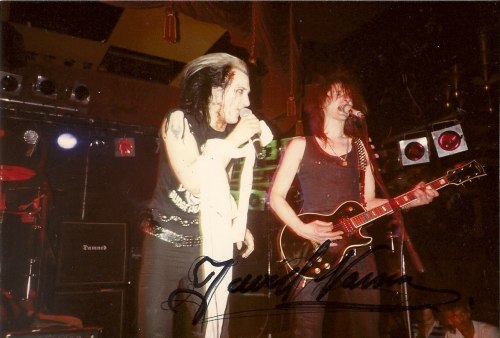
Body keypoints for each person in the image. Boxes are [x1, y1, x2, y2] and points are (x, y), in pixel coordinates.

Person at [268, 71, 439, 337]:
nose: (345, 99)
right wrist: (303, 229)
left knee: (367, 325)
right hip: (312, 245)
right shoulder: (301, 145)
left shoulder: (360, 148)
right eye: (337, 94)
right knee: (307, 327)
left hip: (357, 247)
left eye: (348, 95)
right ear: (321, 102)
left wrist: (411, 201)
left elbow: (368, 201)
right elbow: (275, 197)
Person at [137, 53, 272, 338]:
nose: (247, 101)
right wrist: (234, 141)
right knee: (154, 331)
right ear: (214, 90)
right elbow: (195, 181)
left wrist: (235, 220)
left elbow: (220, 187)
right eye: (239, 91)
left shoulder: (231, 133)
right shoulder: (178, 120)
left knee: (212, 332)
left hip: (207, 245)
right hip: (165, 243)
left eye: (248, 93)